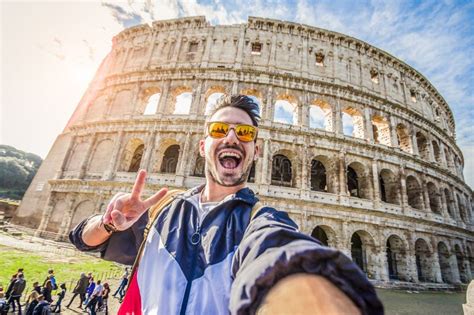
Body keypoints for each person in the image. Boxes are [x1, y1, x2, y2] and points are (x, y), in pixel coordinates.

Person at [70, 95, 383, 314]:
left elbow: (279, 253)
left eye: (244, 132)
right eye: (220, 130)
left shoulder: (262, 221)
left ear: (256, 150)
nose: (232, 137)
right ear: (203, 147)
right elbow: (81, 239)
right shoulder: (159, 212)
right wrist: (110, 222)